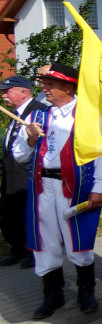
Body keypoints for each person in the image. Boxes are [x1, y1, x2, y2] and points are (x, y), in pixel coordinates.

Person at [13, 64, 102, 320]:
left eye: (50, 84)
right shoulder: (37, 117)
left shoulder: (88, 114)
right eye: (44, 84)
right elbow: (19, 154)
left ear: (68, 87)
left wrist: (100, 188)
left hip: (76, 186)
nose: (44, 88)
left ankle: (86, 291)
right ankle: (52, 294)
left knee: (77, 240)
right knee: (44, 241)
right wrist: (30, 139)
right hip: (42, 186)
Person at [1, 76, 45, 268]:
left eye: (7, 91)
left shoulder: (37, 112)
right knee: (11, 213)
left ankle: (32, 252)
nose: (3, 96)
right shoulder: (17, 113)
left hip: (28, 172)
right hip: (12, 172)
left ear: (24, 92)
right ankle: (17, 249)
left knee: (27, 214)